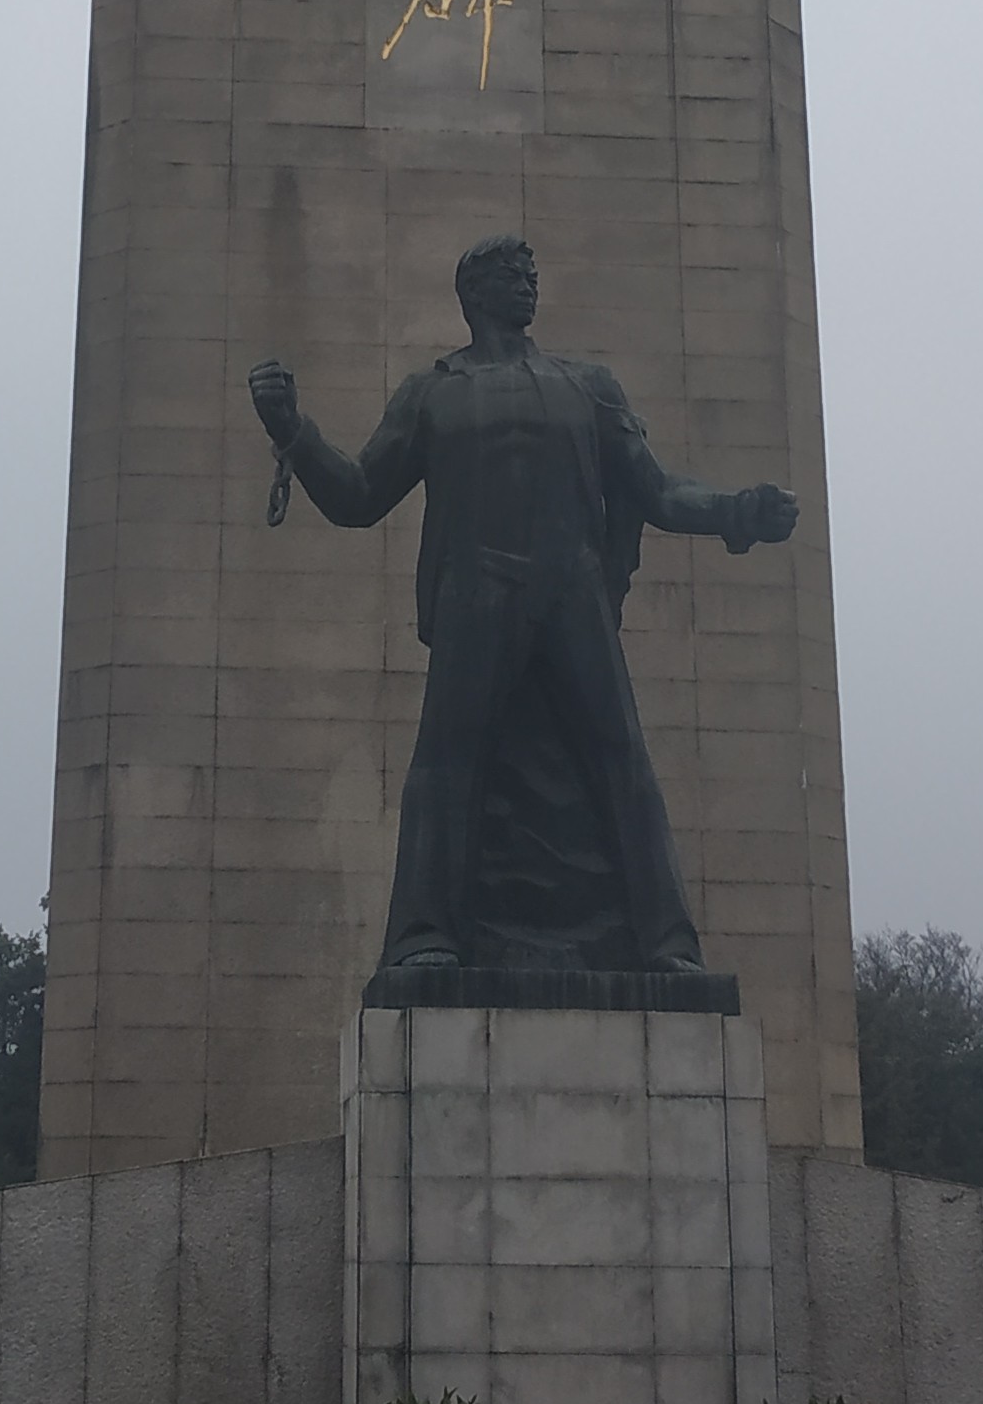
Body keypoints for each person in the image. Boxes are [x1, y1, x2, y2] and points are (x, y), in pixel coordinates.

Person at [248, 235, 797, 977]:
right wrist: (292, 431)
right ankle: (422, 938)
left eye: (532, 273)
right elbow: (356, 496)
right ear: (473, 294)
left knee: (620, 757)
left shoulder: (588, 386)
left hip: (571, 588)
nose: (528, 284)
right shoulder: (432, 393)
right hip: (477, 589)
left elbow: (658, 490)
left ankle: (667, 943)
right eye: (512, 275)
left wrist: (738, 510)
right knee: (446, 762)